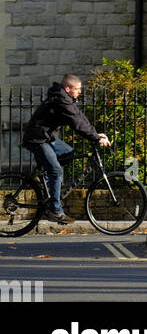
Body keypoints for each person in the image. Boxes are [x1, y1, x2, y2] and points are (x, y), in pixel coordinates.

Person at [22, 74, 110, 223]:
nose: (80, 92)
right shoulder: (61, 100)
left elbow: (79, 116)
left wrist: (95, 134)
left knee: (69, 154)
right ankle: (55, 210)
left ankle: (47, 180)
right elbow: (77, 123)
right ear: (68, 88)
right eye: (78, 89)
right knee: (56, 170)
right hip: (37, 138)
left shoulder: (65, 98)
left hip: (47, 137)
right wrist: (95, 138)